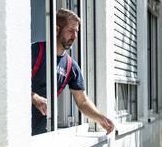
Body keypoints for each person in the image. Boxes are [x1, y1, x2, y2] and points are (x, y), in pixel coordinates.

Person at [31, 8, 115, 136]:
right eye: (71, 31)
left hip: (40, 134)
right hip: (16, 126)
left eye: (76, 32)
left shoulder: (71, 66)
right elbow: (13, 81)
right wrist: (34, 97)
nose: (75, 36)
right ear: (57, 29)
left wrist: (100, 118)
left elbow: (82, 101)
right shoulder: (35, 51)